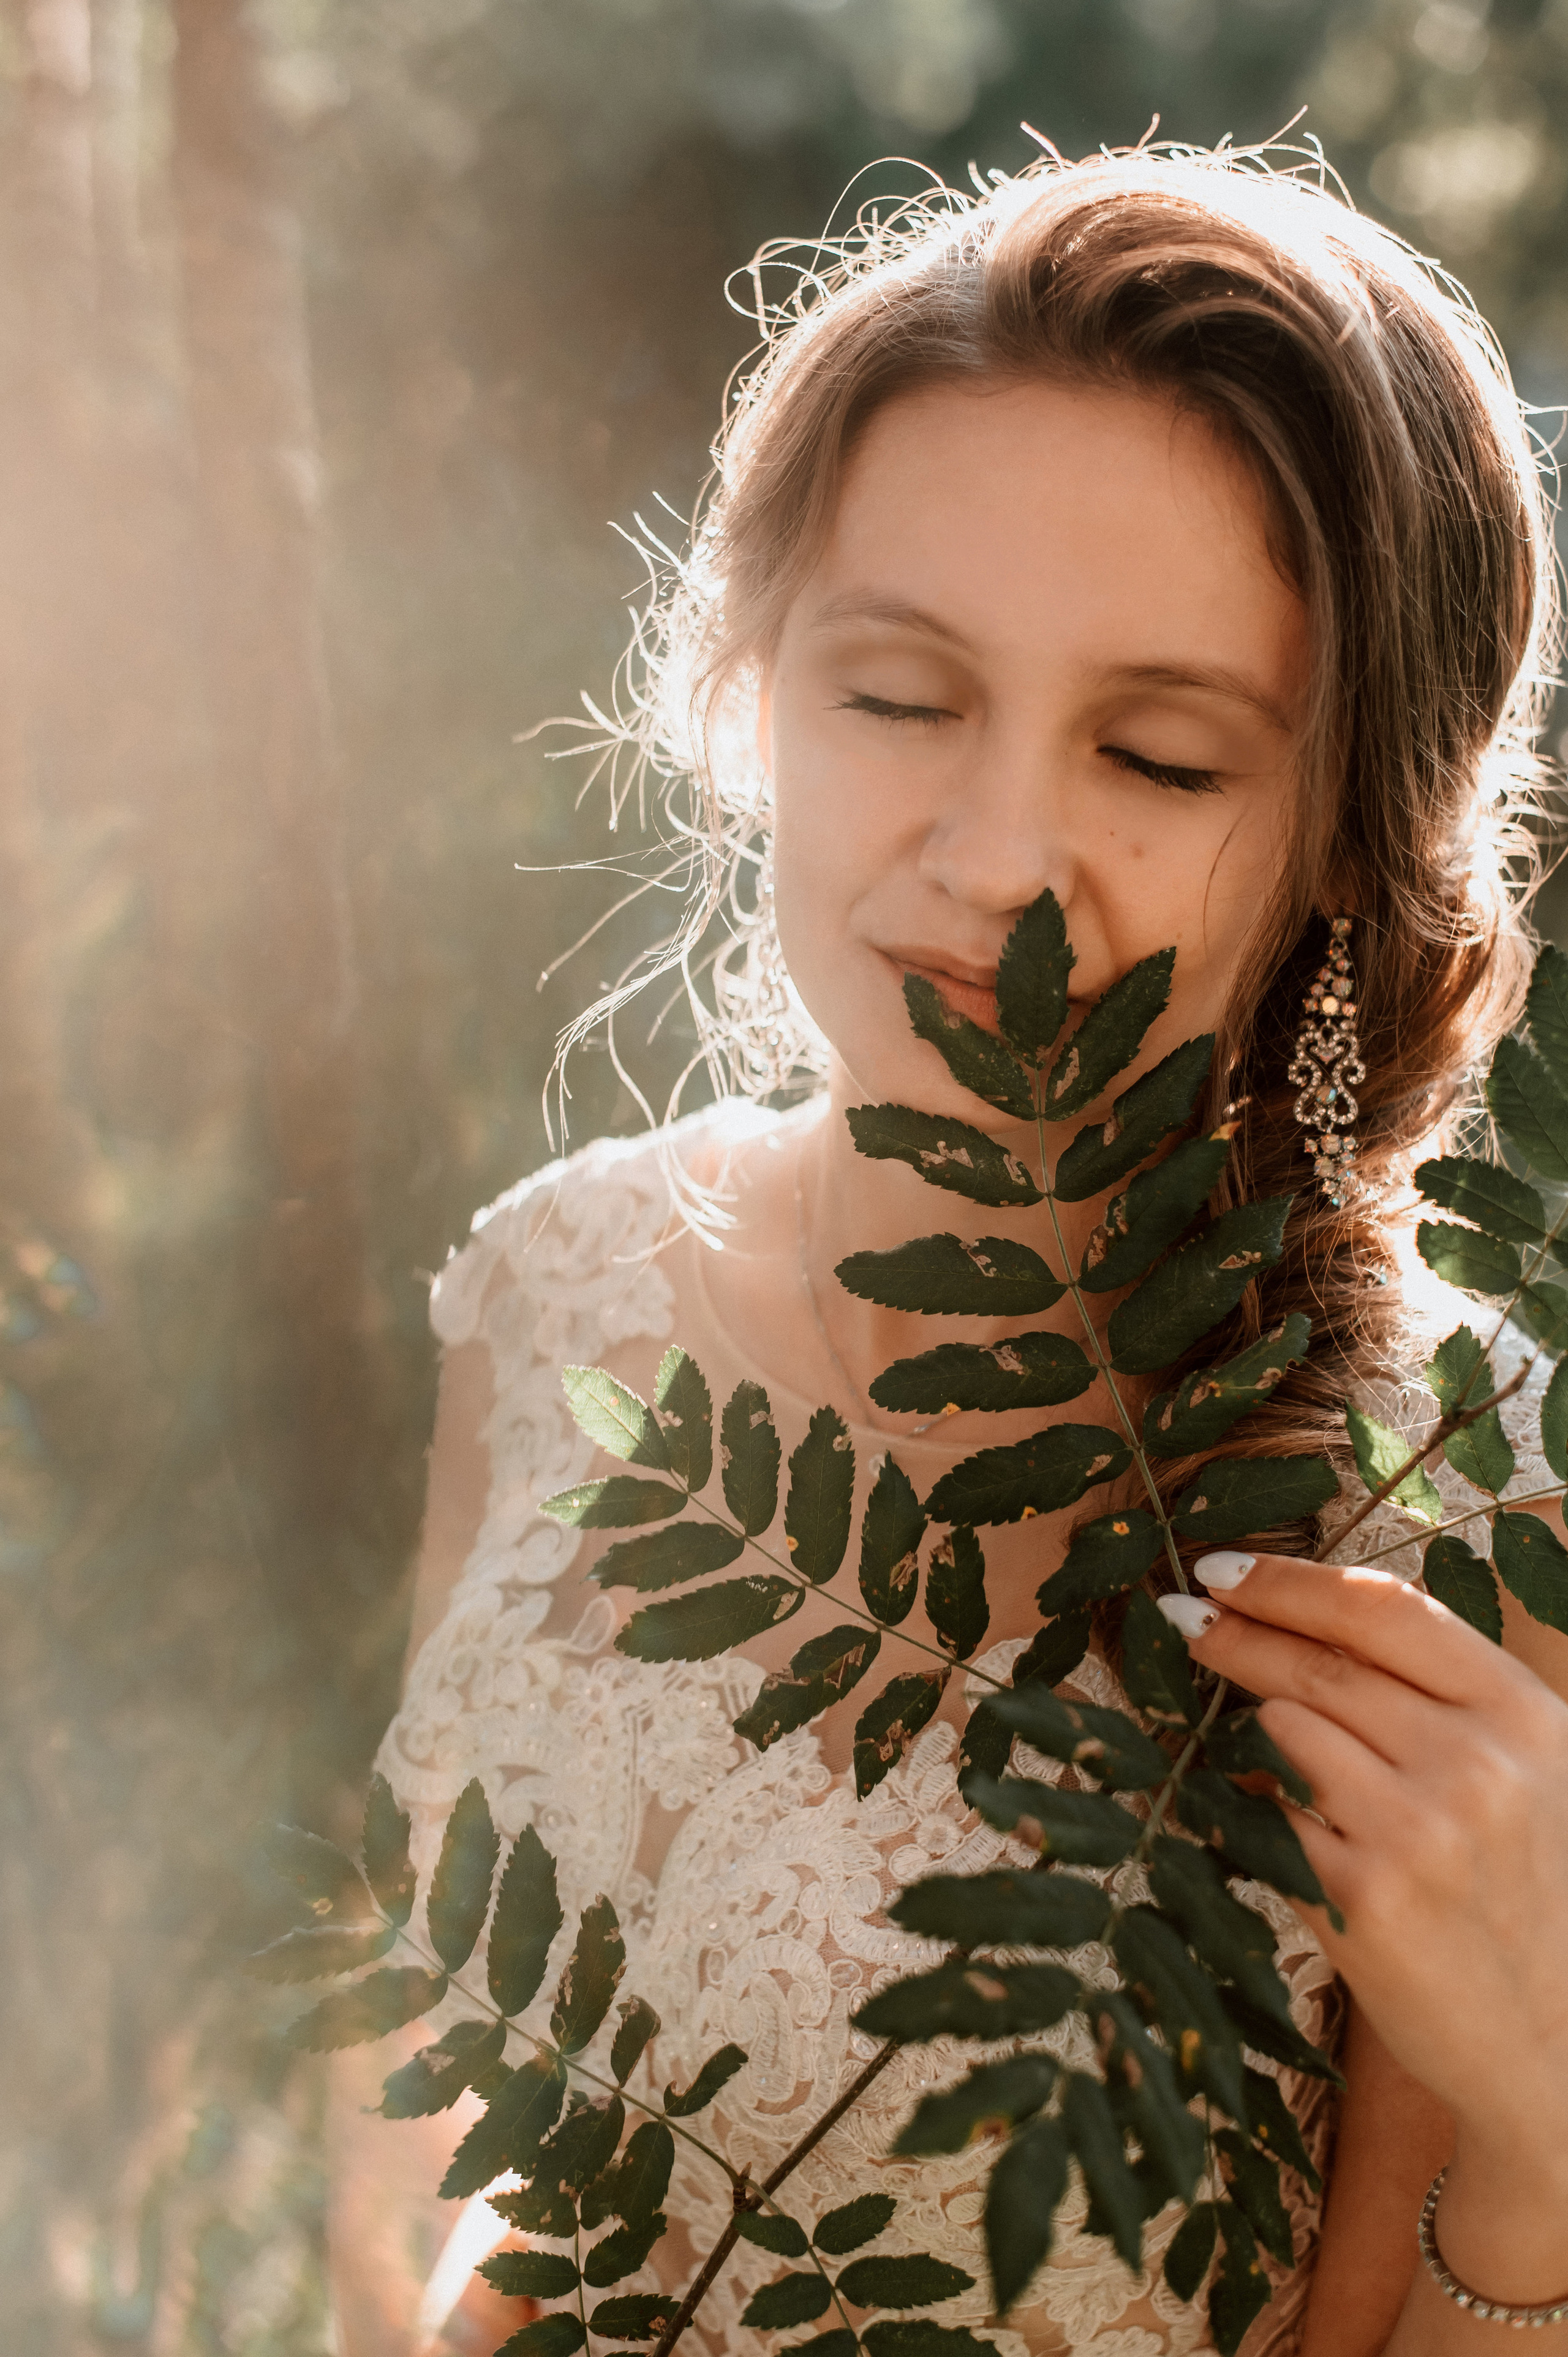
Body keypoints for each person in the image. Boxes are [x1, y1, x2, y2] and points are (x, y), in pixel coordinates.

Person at [327, 144, 1568, 2355]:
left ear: (1352, 837)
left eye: (1159, 756)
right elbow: (443, 2128)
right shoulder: (557, 1293)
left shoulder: (1462, 1514)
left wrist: (1556, 2128)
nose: (994, 854)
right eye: (898, 698)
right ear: (751, 688)